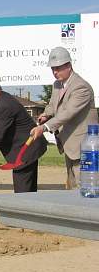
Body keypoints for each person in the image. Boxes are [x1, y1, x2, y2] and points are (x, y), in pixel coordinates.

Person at [30, 47, 98, 189]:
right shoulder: (57, 85)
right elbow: (53, 105)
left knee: (87, 187)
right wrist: (46, 114)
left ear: (68, 65)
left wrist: (44, 127)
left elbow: (67, 113)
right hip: (69, 143)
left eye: (58, 68)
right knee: (72, 185)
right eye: (53, 68)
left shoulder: (81, 87)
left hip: (85, 145)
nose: (55, 72)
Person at [0, 70, 48, 192]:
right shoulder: (1, 100)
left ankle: (24, 210)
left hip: (25, 151)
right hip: (27, 149)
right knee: (29, 193)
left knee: (22, 194)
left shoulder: (4, 105)